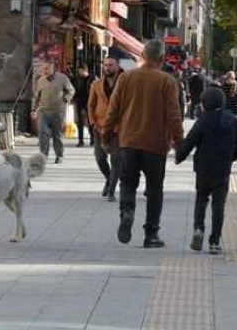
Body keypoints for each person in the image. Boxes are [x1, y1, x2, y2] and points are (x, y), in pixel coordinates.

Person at [102, 39, 184, 249]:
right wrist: (179, 142)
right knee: (155, 189)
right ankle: (151, 234)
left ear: (142, 56)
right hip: (156, 145)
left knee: (128, 182)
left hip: (128, 141)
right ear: (162, 58)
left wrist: (106, 136)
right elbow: (174, 115)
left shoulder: (126, 78)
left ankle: (127, 211)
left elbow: (112, 111)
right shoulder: (167, 81)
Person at [175, 87, 237, 254]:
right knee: (218, 205)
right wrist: (229, 158)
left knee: (201, 200)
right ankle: (215, 241)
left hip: (203, 169)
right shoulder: (231, 119)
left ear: (205, 103)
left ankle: (198, 229)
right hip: (222, 169)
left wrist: (179, 156)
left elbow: (190, 142)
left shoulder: (203, 120)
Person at [87, 55, 122, 202]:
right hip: (99, 127)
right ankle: (108, 179)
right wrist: (93, 122)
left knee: (116, 159)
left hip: (117, 129)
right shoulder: (96, 84)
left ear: (118, 66)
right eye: (106, 65)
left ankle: (112, 191)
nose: (107, 68)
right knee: (100, 158)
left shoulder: (125, 83)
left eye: (111, 65)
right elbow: (91, 105)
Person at [32, 60, 75, 164]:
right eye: (44, 68)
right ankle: (43, 156)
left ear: (53, 69)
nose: (45, 71)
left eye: (47, 68)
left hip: (58, 112)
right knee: (43, 134)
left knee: (57, 135)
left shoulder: (62, 78)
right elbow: (37, 96)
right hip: (43, 111)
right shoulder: (41, 80)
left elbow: (71, 90)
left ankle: (59, 155)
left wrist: (66, 98)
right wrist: (34, 109)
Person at [72, 64, 95, 147]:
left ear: (86, 70)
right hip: (80, 101)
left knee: (91, 121)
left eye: (81, 71)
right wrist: (74, 98)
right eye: (79, 71)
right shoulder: (77, 79)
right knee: (80, 122)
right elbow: (74, 89)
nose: (80, 73)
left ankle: (93, 139)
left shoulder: (93, 79)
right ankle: (81, 141)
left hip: (90, 102)